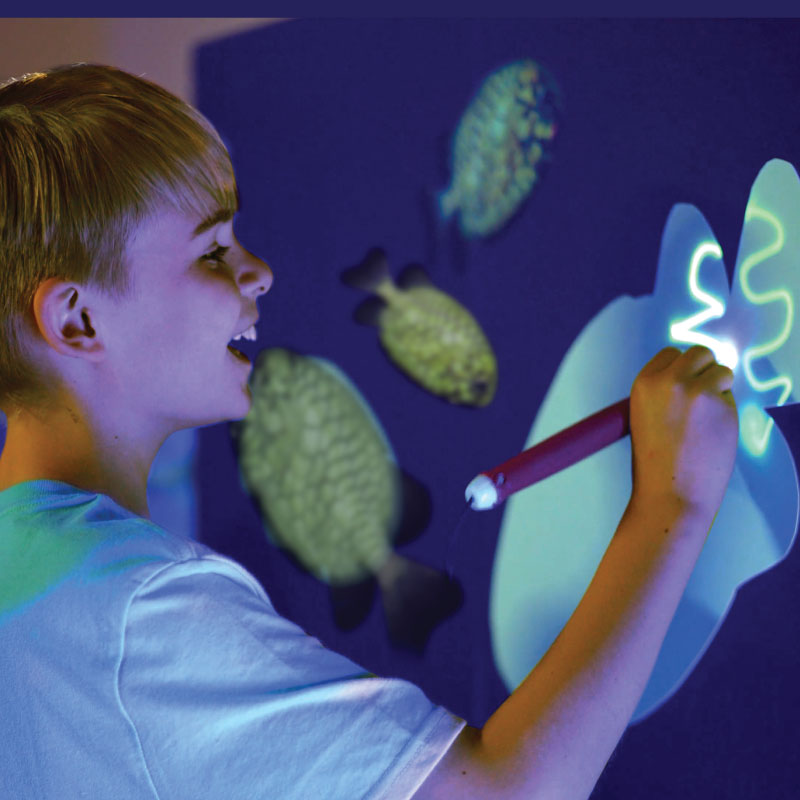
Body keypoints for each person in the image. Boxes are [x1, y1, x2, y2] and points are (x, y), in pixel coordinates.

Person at [0, 63, 739, 800]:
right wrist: (674, 506)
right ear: (77, 319)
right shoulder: (141, 615)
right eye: (213, 250)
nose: (258, 271)